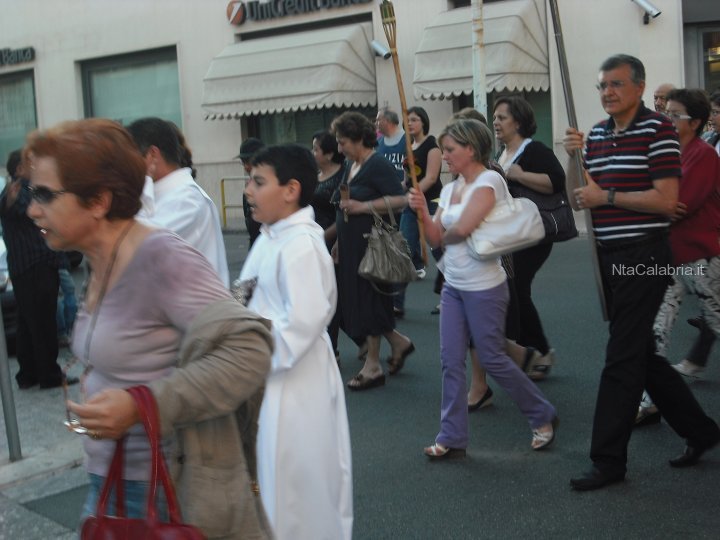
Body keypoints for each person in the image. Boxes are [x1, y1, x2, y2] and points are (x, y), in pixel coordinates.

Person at [28, 118, 273, 538]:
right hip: (112, 477)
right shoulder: (101, 257)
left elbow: (250, 348)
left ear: (98, 201)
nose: (33, 209)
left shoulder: (159, 256)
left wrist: (144, 405)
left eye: (46, 195)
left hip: (162, 488)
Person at [563, 54, 720, 490]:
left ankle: (608, 460)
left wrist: (608, 197)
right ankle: (701, 431)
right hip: (609, 256)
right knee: (641, 354)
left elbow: (667, 201)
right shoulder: (597, 134)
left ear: (639, 87)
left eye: (616, 84)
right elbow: (579, 198)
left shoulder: (659, 131)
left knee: (621, 357)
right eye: (602, 85)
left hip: (645, 256)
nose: (607, 92)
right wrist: (573, 158)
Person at [408, 118, 557, 459]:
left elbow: (462, 229)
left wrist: (439, 230)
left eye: (450, 150)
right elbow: (435, 238)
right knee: (450, 362)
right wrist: (422, 213)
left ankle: (542, 414)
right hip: (454, 287)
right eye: (444, 150)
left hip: (485, 288)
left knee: (492, 357)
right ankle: (451, 436)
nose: (445, 156)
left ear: (471, 149)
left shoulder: (490, 181)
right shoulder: (450, 189)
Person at [239, 144, 352, 540]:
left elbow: (301, 324)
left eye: (258, 182)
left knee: (297, 488)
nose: (248, 191)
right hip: (268, 378)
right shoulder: (271, 236)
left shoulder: (301, 244)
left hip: (295, 384)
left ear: (290, 190)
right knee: (272, 482)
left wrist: (242, 349)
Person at [634, 89, 720, 425]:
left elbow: (676, 204)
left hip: (702, 259)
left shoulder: (704, 155)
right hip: (669, 257)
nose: (665, 119)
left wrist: (649, 202)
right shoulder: (668, 153)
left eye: (673, 115)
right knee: (657, 328)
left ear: (695, 123)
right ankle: (650, 400)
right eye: (665, 112)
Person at [331, 111, 414, 390]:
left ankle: (373, 365)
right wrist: (339, 241)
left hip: (371, 244)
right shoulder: (352, 165)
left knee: (369, 300)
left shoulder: (376, 164)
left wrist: (363, 207)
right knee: (363, 299)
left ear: (358, 139)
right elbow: (344, 206)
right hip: (352, 244)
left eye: (343, 142)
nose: (339, 148)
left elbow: (401, 200)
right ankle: (398, 343)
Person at [493, 96, 567, 379]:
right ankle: (527, 351)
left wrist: (521, 175)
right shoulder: (502, 153)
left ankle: (540, 352)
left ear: (519, 122)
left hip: (534, 233)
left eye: (502, 117)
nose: (496, 122)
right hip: (511, 234)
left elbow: (556, 181)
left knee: (518, 289)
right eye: (495, 117)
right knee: (513, 291)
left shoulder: (534, 150)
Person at [0, 149, 73, 389]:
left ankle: (28, 374)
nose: (36, 168)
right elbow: (34, 216)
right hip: (35, 265)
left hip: (27, 266)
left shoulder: (19, 191)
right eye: (31, 164)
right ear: (20, 169)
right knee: (42, 323)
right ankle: (48, 375)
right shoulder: (19, 191)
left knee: (28, 323)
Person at [128, 117, 230, 286]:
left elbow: (135, 245)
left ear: (152, 155)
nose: (126, 167)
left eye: (130, 158)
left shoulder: (188, 198)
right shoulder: (163, 193)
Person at [393, 106, 442, 318]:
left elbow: (431, 178)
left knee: (440, 250)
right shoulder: (409, 148)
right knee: (402, 251)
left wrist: (412, 195)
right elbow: (406, 181)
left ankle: (450, 296)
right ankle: (396, 304)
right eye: (407, 120)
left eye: (414, 119)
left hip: (431, 202)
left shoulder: (432, 146)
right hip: (411, 205)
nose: (410, 123)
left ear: (424, 122)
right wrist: (395, 191)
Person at [311, 130, 346, 359]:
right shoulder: (315, 176)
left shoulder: (343, 176)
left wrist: (326, 236)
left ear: (330, 153)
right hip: (317, 241)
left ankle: (332, 348)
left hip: (335, 241)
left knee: (334, 296)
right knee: (325, 295)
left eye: (316, 149)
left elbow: (343, 214)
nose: (312, 152)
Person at [237, 137, 265, 247]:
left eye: (248, 161)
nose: (246, 167)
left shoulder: (275, 187)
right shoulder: (248, 187)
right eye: (243, 162)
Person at [375, 107, 406, 182]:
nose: (376, 123)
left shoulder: (408, 139)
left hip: (403, 187)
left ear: (387, 121)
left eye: (378, 120)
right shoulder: (378, 142)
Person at [56, 256, 78, 347]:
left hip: (45, 264)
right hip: (59, 260)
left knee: (55, 297)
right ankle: (71, 329)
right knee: (69, 292)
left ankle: (62, 333)